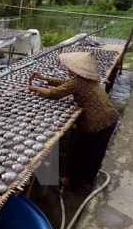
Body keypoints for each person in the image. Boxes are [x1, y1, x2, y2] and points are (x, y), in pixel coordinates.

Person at [28, 51, 119, 193]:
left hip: (96, 125)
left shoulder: (78, 83)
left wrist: (36, 88)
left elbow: (55, 94)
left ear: (76, 71)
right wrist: (45, 79)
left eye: (69, 68)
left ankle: (73, 183)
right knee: (96, 154)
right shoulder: (88, 80)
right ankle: (87, 182)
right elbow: (65, 83)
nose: (67, 69)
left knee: (81, 153)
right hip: (110, 119)